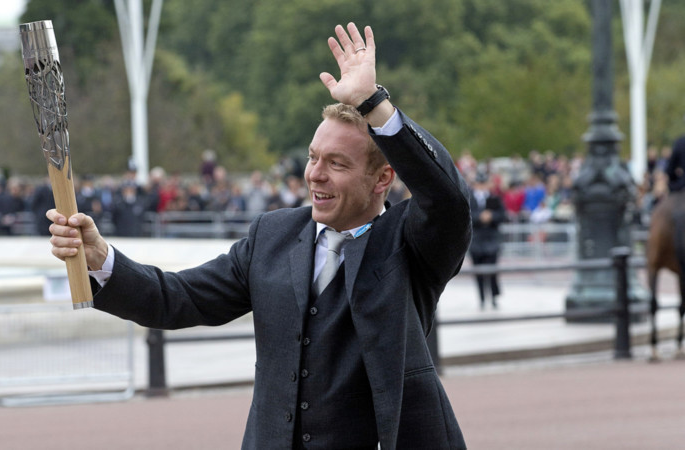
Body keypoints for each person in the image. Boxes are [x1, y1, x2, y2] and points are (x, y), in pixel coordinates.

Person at [47, 23, 470, 449]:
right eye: (312, 157)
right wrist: (101, 257)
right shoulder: (273, 235)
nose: (314, 174)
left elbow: (447, 197)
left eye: (337, 164)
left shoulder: (412, 243)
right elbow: (178, 298)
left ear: (383, 178)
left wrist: (372, 104)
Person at [469, 172, 506, 309]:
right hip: (476, 240)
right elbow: (465, 215)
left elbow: (502, 215)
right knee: (478, 272)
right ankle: (482, 298)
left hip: (492, 239)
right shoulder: (469, 198)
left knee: (492, 270)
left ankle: (494, 297)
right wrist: (480, 217)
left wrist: (491, 216)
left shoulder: (494, 198)